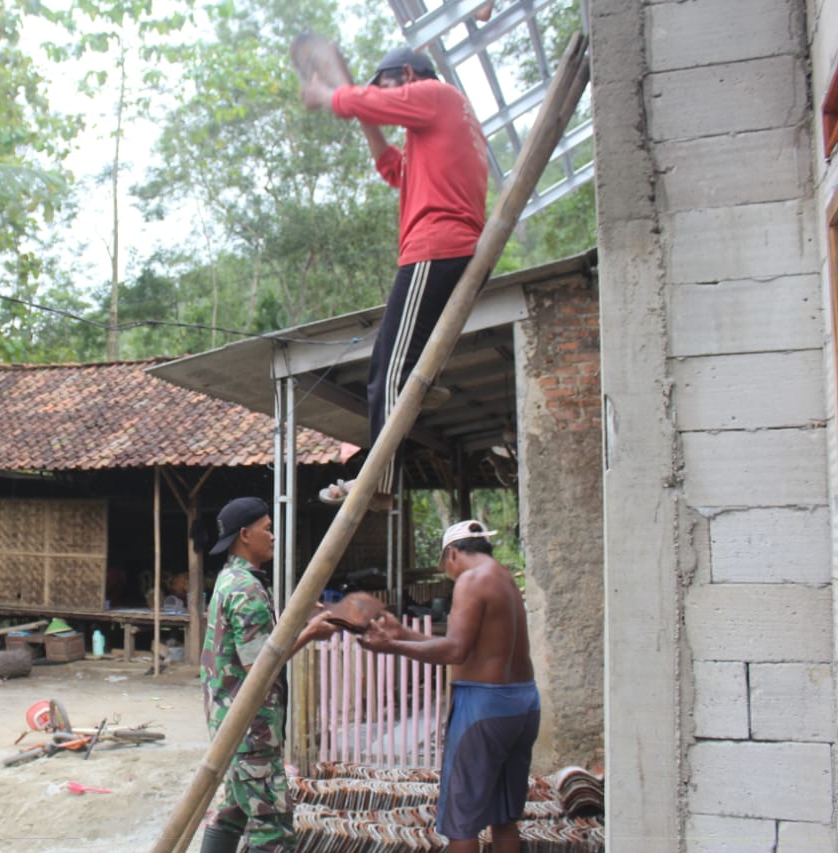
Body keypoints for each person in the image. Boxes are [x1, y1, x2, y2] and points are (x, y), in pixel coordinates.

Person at [303, 46, 489, 512]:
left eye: (383, 85)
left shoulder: (436, 94)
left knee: (387, 372)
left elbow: (368, 103)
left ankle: (379, 485)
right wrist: (365, 115)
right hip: (449, 249)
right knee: (391, 366)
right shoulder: (437, 128)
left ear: (406, 75)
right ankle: (388, 461)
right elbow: (393, 169)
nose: (382, 95)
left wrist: (329, 95)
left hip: (437, 246)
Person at [356, 520, 539, 853]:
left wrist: (391, 648)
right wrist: (404, 634)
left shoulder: (470, 580)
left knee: (462, 822)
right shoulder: (505, 578)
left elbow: (455, 651)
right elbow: (467, 645)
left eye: (445, 567)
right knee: (504, 817)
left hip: (484, 706)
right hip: (523, 702)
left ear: (452, 553)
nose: (448, 574)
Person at [199, 496, 338, 853]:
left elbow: (259, 641)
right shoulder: (247, 590)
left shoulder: (231, 578)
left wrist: (298, 616)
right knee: (272, 825)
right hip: (251, 727)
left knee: (233, 809)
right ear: (245, 535)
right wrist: (308, 634)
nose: (273, 537)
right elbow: (259, 666)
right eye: (268, 529)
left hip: (231, 722)